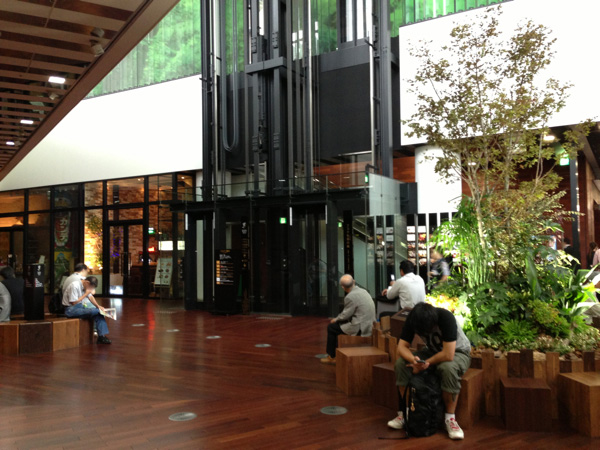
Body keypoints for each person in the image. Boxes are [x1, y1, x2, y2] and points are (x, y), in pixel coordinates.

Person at [387, 302, 471, 440]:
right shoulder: (413, 318)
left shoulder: (445, 317)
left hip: (458, 352)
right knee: (402, 363)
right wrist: (414, 361)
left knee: (447, 368)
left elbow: (448, 354)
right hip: (432, 351)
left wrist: (427, 363)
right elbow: (401, 348)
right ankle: (407, 414)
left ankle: (450, 419)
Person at [320, 274, 376, 364]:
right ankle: (336, 353)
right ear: (354, 282)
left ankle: (332, 356)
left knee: (331, 327)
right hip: (370, 325)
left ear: (342, 287)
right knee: (338, 327)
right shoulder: (363, 291)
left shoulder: (350, 297)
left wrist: (335, 319)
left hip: (361, 328)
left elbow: (345, 315)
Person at [62, 276, 111, 344]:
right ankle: (101, 335)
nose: (91, 289)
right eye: (91, 287)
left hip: (80, 307)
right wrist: (86, 294)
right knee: (97, 311)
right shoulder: (74, 286)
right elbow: (73, 302)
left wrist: (98, 306)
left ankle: (101, 336)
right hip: (70, 309)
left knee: (99, 313)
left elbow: (91, 297)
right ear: (87, 282)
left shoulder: (85, 286)